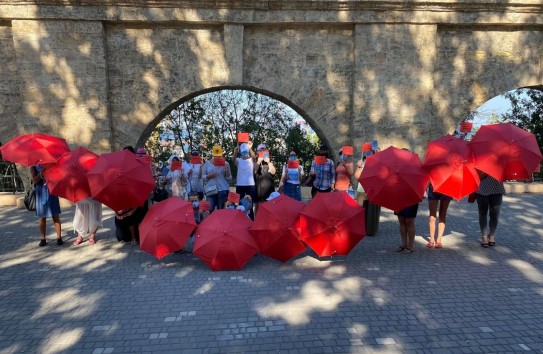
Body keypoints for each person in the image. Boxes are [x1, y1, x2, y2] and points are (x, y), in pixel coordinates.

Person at [114, 146, 148, 245]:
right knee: (134, 218)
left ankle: (135, 237)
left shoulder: (136, 165)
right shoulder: (121, 165)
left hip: (134, 195)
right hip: (127, 196)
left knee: (136, 217)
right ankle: (134, 237)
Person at [31, 165, 63, 247]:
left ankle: (59, 238)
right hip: (40, 193)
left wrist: (50, 171)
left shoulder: (51, 165)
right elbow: (34, 180)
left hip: (51, 191)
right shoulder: (34, 167)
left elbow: (58, 177)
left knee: (55, 215)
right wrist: (41, 174)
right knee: (42, 217)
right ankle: (43, 239)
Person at [476, 173, 506, 247]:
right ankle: (484, 236)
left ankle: (491, 234)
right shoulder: (479, 161)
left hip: (497, 189)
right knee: (483, 213)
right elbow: (478, 176)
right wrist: (487, 171)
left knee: (495, 215)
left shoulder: (499, 161)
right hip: (482, 189)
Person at [200, 145, 232, 211]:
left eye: (219, 156)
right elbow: (203, 177)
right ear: (213, 154)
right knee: (210, 209)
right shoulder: (207, 163)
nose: (217, 157)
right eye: (215, 156)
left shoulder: (226, 164)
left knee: (221, 211)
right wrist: (209, 176)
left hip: (223, 190)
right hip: (211, 190)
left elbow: (229, 179)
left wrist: (227, 172)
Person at [232, 142, 256, 218]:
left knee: (249, 205)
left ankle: (251, 221)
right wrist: (236, 151)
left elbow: (254, 157)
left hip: (250, 185)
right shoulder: (239, 160)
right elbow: (233, 159)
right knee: (240, 204)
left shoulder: (251, 160)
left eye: (246, 151)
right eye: (243, 151)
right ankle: (241, 220)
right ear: (241, 152)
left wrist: (250, 148)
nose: (245, 153)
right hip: (240, 185)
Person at [426, 183, 452, 249]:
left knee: (442, 214)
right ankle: (431, 239)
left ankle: (439, 240)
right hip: (433, 187)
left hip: (447, 188)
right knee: (432, 216)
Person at [254, 143, 276, 212]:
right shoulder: (255, 163)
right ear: (257, 153)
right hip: (258, 198)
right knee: (258, 217)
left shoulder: (270, 163)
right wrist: (258, 162)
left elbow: (273, 172)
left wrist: (269, 162)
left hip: (269, 197)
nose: (262, 152)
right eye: (260, 151)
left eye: (264, 150)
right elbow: (253, 172)